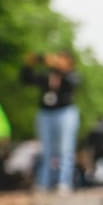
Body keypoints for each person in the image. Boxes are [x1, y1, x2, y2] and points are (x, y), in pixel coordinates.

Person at [20, 51, 81, 193]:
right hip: (45, 113)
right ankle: (43, 182)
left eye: (62, 59)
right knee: (45, 150)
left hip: (65, 112)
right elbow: (26, 80)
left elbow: (72, 83)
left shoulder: (72, 75)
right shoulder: (47, 75)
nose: (57, 61)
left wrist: (59, 69)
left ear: (69, 63)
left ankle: (63, 182)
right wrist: (29, 65)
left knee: (65, 149)